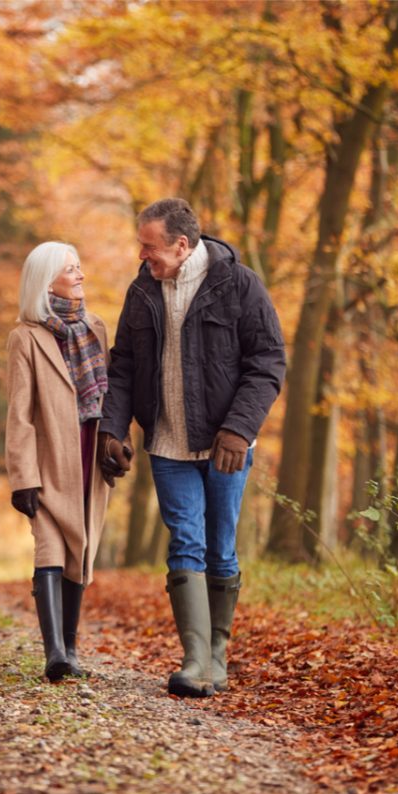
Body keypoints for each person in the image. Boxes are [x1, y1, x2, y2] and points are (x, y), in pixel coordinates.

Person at [98, 198, 286, 698]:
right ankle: (195, 658)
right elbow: (123, 367)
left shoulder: (239, 285)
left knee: (220, 545)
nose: (142, 255)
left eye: (149, 245)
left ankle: (217, 657)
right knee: (185, 540)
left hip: (226, 444)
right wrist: (112, 430)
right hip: (167, 443)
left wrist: (239, 428)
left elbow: (268, 361)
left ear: (182, 245)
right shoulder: (142, 291)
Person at [5, 241, 119, 682]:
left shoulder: (96, 328)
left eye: (79, 267)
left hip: (90, 454)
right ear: (46, 279)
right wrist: (23, 478)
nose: (80, 275)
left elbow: (110, 396)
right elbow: (19, 414)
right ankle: (55, 654)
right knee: (50, 546)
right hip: (50, 460)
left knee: (82, 550)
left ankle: (71, 648)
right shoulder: (25, 338)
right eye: (70, 269)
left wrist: (115, 441)